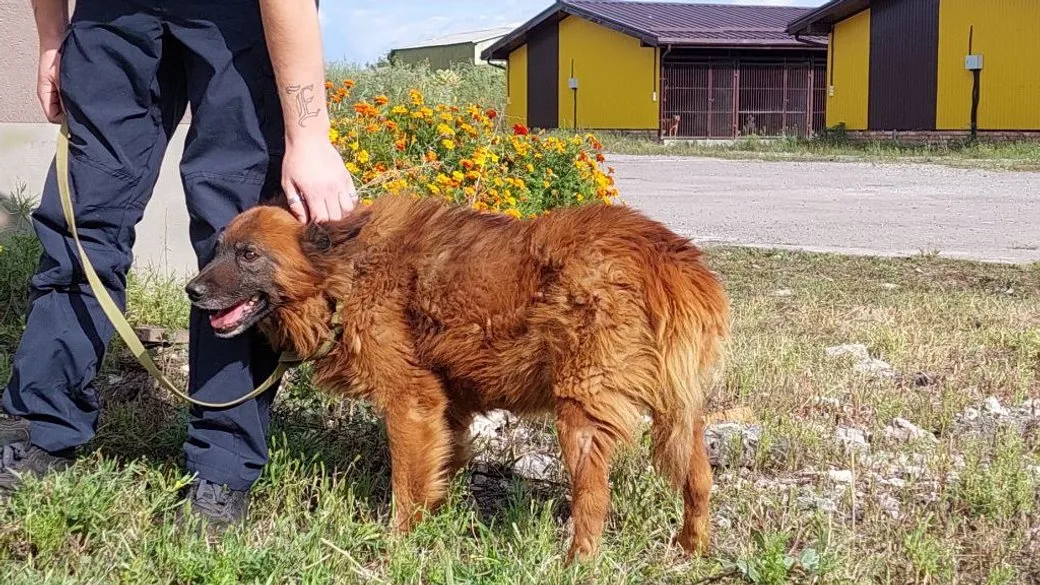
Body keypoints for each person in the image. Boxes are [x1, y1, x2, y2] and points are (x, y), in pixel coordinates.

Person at [0, 0, 355, 531]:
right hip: (112, 17)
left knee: (236, 243)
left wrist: (308, 137)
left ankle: (222, 464)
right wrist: (52, 37)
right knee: (81, 224)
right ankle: (39, 424)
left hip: (239, 16)